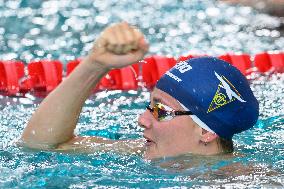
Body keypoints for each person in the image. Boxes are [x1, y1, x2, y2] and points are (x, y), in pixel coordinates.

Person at [19, 22, 259, 160]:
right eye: (150, 105)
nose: (142, 119)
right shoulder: (137, 151)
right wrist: (94, 65)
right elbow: (41, 143)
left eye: (160, 110)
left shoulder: (245, 181)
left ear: (207, 132)